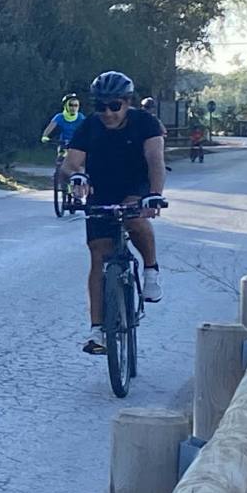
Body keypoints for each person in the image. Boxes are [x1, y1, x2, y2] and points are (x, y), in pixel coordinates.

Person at [62, 71, 166, 355]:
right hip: (102, 190)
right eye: (101, 106)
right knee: (98, 255)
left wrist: (154, 194)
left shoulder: (146, 123)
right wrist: (76, 176)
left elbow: (155, 160)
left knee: (135, 220)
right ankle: (98, 331)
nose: (107, 113)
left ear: (127, 102)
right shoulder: (89, 126)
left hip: (136, 185)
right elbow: (70, 164)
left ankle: (151, 270)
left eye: (114, 106)